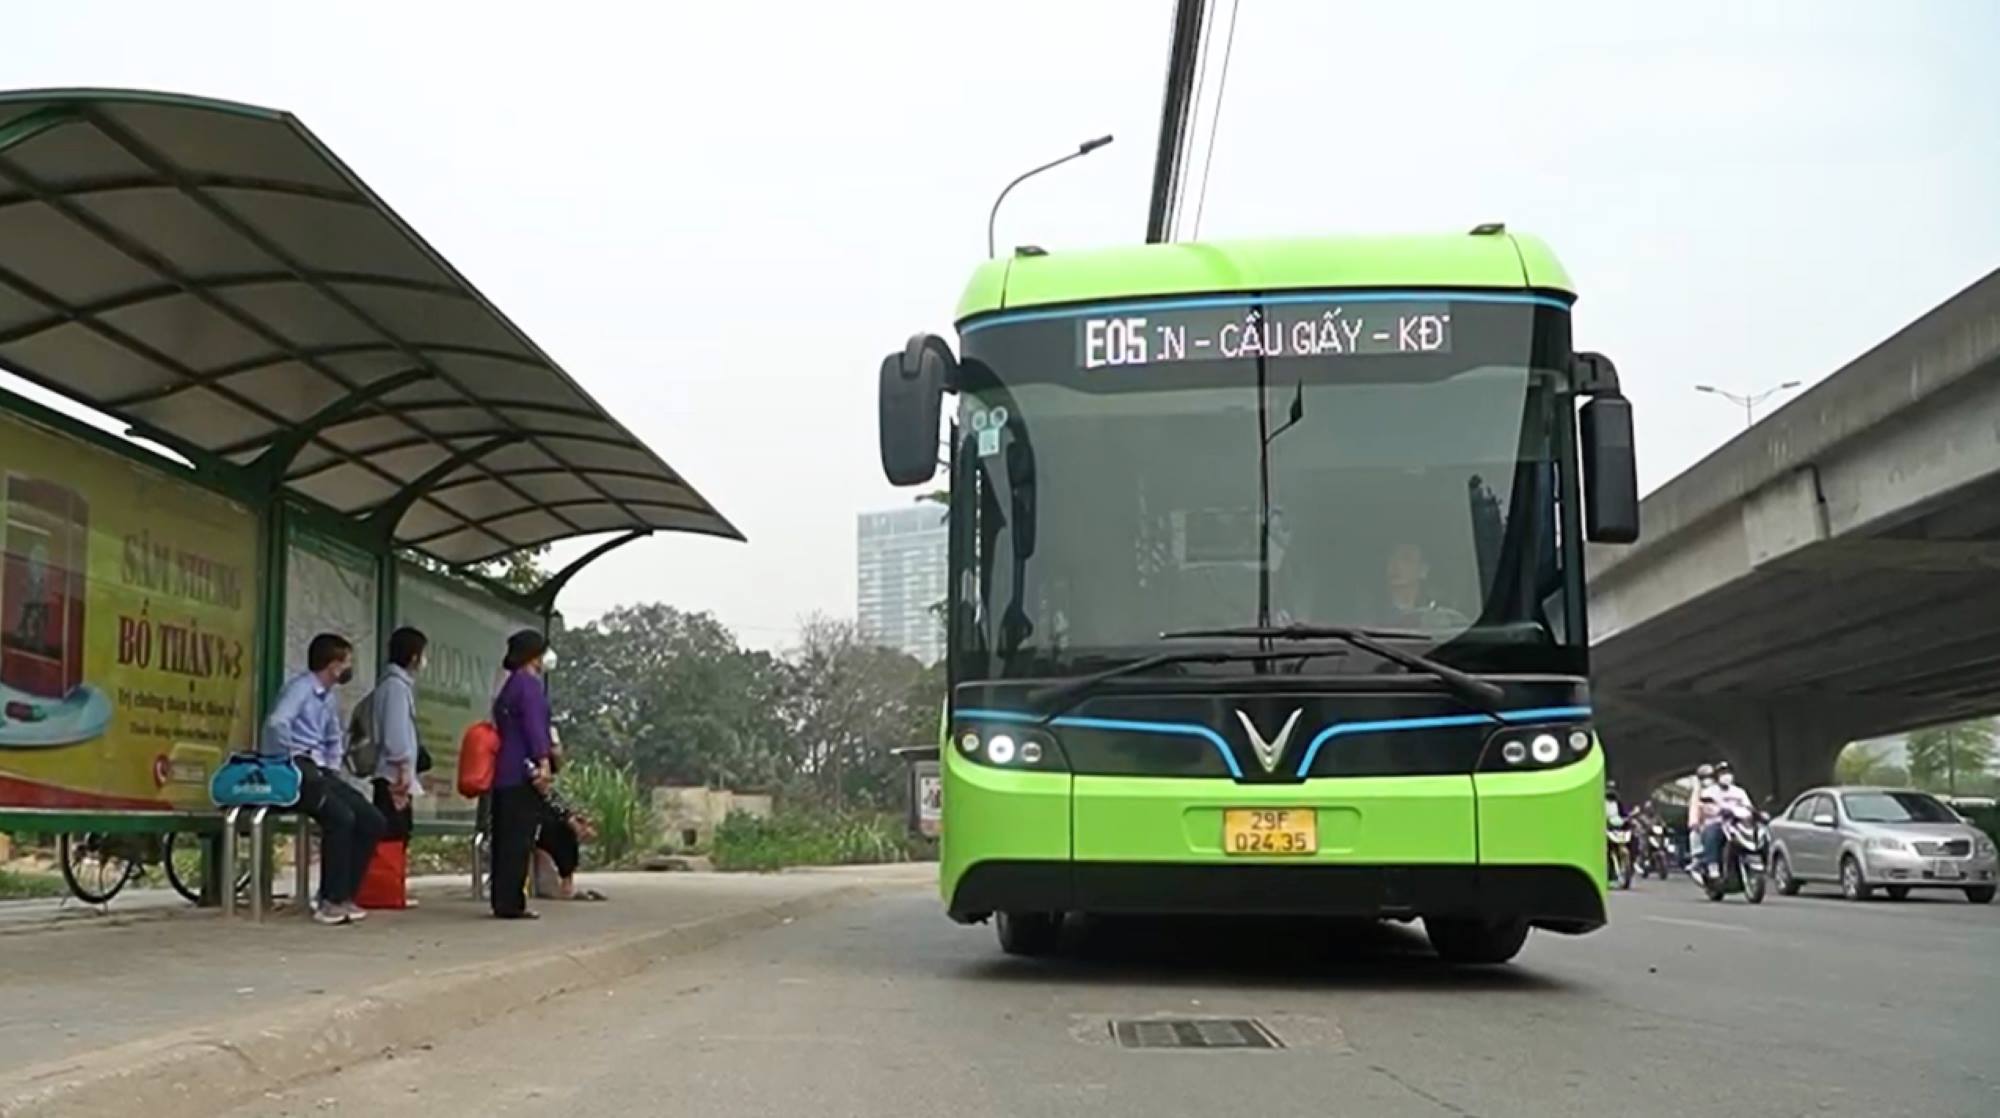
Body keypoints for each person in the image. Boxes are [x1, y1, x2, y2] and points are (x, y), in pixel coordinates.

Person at [264, 632, 385, 926]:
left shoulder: (328, 697)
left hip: (320, 770)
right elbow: (277, 722)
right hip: (296, 767)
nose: (348, 668)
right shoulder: (301, 689)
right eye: (346, 662)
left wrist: (331, 768)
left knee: (371, 819)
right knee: (340, 817)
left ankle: (345, 895)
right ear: (333, 665)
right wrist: (287, 757)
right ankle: (329, 900)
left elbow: (333, 739)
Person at [490, 629, 555, 919]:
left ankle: (502, 898)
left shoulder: (510, 685)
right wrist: (544, 761)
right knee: (519, 838)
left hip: (505, 770)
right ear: (534, 655)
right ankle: (513, 902)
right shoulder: (529, 686)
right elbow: (534, 727)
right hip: (522, 771)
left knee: (504, 837)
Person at [366, 627, 427, 905]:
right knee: (392, 833)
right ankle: (384, 890)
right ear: (414, 657)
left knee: (397, 831)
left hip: (395, 773)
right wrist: (403, 771)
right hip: (394, 775)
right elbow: (395, 733)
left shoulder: (393, 685)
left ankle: (393, 888)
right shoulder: (395, 688)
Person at [1384, 542, 1469, 631]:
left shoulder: (1440, 609)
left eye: (1407, 559)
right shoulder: (1371, 610)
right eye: (1391, 558)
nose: (1396, 565)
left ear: (1423, 570)